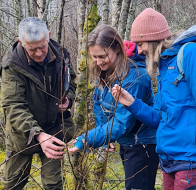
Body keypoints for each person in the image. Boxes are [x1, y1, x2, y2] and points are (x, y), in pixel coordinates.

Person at [112, 8, 196, 190]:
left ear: (153, 38)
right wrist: (132, 103)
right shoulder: (166, 66)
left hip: (194, 162)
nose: (139, 50)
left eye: (141, 43)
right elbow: (160, 118)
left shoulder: (192, 54)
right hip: (170, 161)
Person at [68, 24, 159, 190]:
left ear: (117, 48)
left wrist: (86, 139)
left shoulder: (135, 78)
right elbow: (99, 103)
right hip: (127, 142)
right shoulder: (105, 71)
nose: (98, 61)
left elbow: (122, 123)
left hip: (142, 145)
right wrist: (106, 138)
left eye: (102, 56)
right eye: (94, 57)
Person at [1, 17, 76, 190]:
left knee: (54, 184)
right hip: (21, 134)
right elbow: (13, 105)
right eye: (32, 49)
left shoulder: (62, 56)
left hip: (54, 128)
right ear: (21, 42)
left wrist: (68, 99)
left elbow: (71, 82)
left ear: (48, 36)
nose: (39, 53)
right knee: (13, 184)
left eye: (42, 47)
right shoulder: (12, 65)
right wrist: (37, 134)